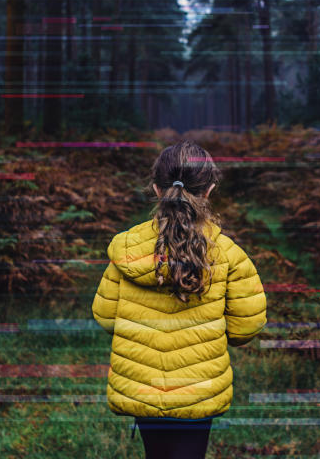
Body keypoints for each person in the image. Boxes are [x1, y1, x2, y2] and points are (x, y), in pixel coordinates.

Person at [92, 139, 268, 459]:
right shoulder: (228, 254)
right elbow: (247, 327)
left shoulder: (127, 249)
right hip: (198, 389)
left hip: (142, 387)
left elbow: (105, 317)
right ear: (210, 189)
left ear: (157, 189)